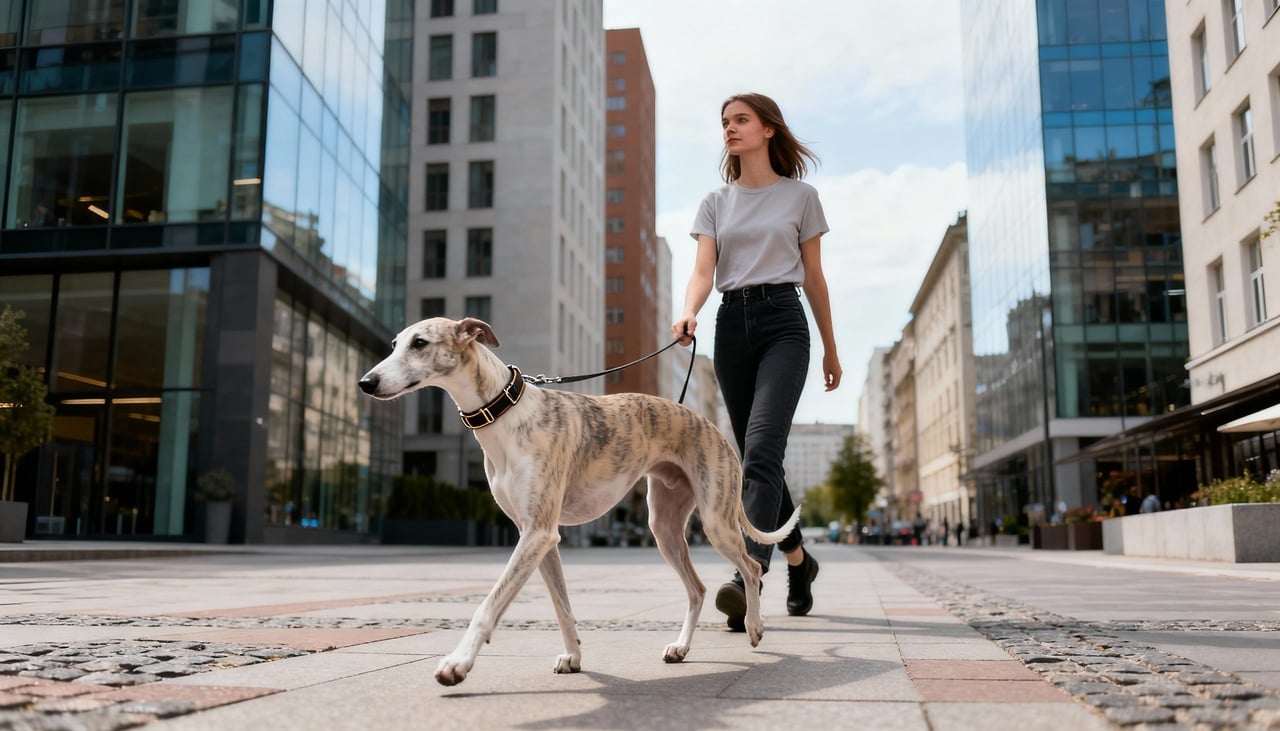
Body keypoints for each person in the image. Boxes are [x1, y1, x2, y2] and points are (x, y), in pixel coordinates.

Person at [672, 92, 841, 631]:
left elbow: (814, 278)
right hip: (731, 326)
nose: (729, 128)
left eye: (741, 119)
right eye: (724, 121)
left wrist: (831, 347)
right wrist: (689, 311)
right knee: (756, 457)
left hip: (784, 324)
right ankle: (800, 561)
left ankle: (749, 575)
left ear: (768, 129)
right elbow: (704, 270)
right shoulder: (715, 202)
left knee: (764, 449)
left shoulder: (801, 197)